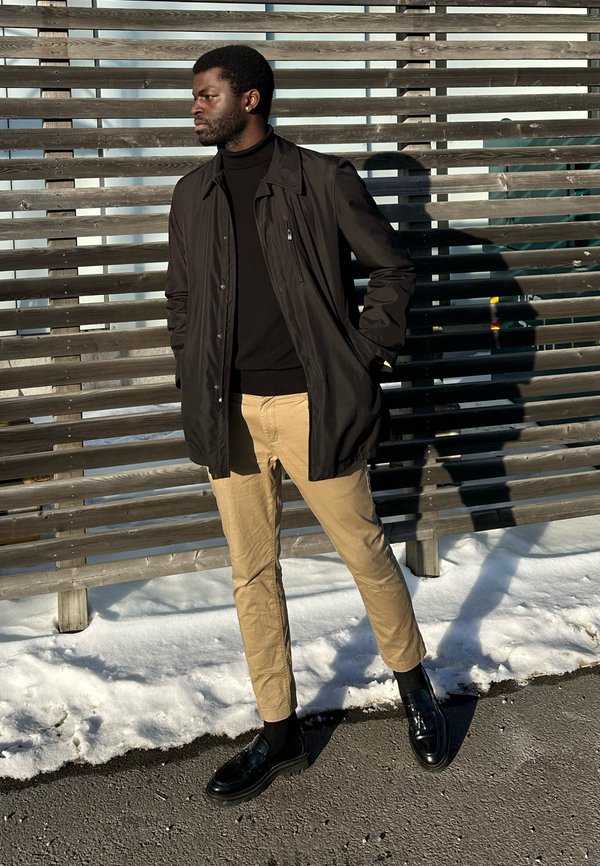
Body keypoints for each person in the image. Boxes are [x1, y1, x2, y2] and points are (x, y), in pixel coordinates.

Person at [165, 44, 450, 807]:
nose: (195, 107)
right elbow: (183, 301)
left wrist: (362, 357)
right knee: (252, 574)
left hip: (312, 407)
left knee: (363, 550)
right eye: (195, 97)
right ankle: (279, 729)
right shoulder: (190, 194)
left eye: (206, 95)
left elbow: (393, 270)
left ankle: (414, 684)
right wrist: (191, 363)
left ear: (250, 100)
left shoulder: (321, 180)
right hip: (231, 414)